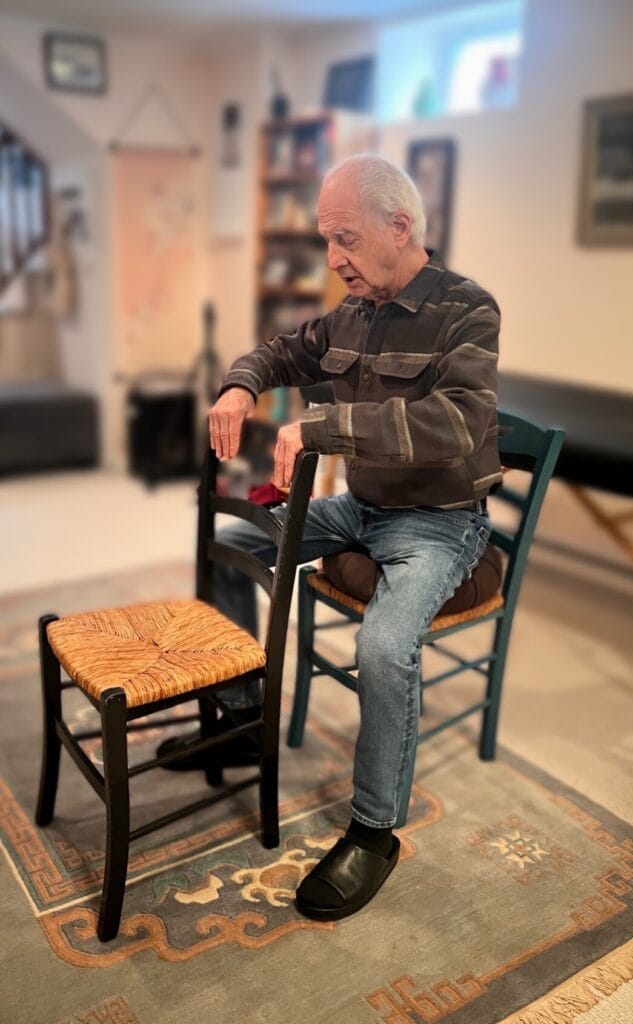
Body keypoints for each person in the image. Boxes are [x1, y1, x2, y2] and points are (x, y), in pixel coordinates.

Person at [158, 154, 501, 921]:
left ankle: (375, 831)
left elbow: (458, 424)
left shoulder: (468, 310)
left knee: (382, 648)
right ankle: (245, 719)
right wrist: (240, 384)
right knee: (228, 537)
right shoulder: (349, 313)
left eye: (343, 238)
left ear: (399, 226)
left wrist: (323, 426)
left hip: (438, 524)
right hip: (361, 508)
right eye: (325, 241)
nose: (332, 258)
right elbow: (279, 351)